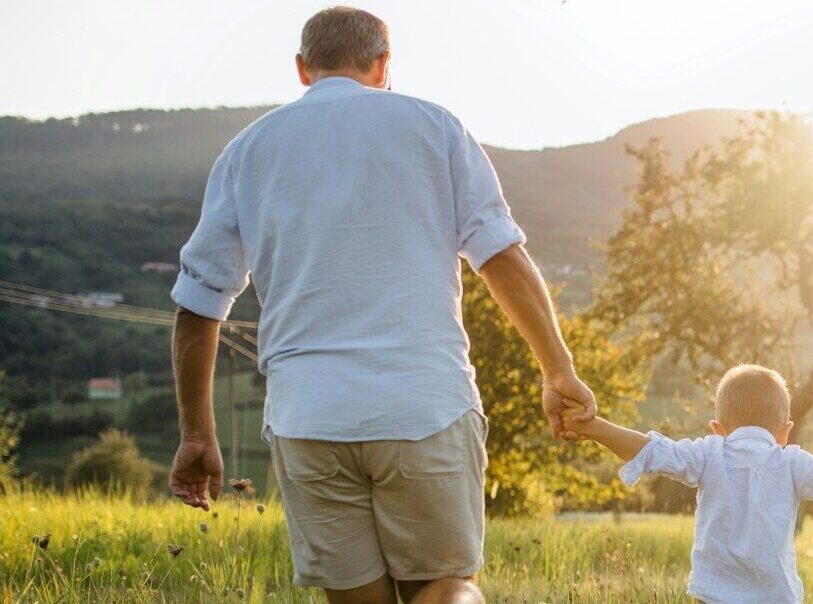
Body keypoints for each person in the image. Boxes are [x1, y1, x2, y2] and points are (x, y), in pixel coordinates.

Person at [165, 7, 594, 603]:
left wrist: (196, 434)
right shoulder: (435, 126)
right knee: (448, 588)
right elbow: (502, 257)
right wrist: (558, 370)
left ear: (301, 69)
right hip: (424, 409)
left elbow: (198, 305)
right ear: (383, 64)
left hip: (309, 419)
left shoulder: (247, 150)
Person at [564, 365, 813, 604]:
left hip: (714, 594)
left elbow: (655, 450)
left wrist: (594, 427)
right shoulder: (790, 462)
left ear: (717, 428)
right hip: (776, 596)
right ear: (784, 431)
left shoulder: (709, 453)